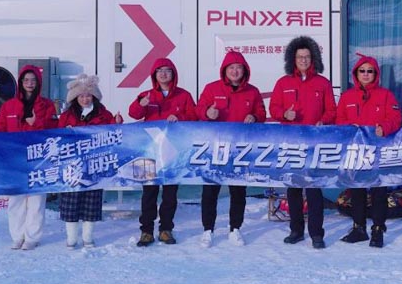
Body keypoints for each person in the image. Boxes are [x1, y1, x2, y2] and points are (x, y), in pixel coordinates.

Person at [270, 35, 337, 249]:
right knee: (294, 190)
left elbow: (332, 111)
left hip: (316, 144)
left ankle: (317, 233)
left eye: (307, 56)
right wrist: (284, 115)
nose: (304, 60)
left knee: (315, 190)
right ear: (293, 59)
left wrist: (323, 120)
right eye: (300, 57)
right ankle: (296, 230)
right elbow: (273, 109)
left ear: (313, 58)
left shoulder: (322, 83)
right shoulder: (283, 83)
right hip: (291, 143)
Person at [195, 51, 266, 248]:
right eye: (231, 68)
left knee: (238, 191)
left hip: (240, 150)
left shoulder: (252, 92)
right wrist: (207, 113)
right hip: (215, 148)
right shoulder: (212, 89)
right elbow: (198, 110)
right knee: (210, 192)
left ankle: (235, 228)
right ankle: (207, 230)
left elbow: (262, 112)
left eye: (239, 67)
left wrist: (255, 117)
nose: (235, 71)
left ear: (244, 70)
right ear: (225, 70)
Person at [128, 57, 197, 247]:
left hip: (173, 153)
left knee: (169, 194)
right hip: (149, 152)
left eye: (167, 70)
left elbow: (194, 115)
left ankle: (166, 229)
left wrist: (180, 116)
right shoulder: (146, 94)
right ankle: (146, 231)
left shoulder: (183, 95)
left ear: (173, 74)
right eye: (160, 71)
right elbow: (134, 114)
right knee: (149, 192)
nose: (164, 74)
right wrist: (141, 104)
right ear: (154, 75)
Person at [336, 54, 401, 248]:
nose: (366, 74)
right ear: (356, 73)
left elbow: (396, 117)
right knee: (357, 190)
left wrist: (384, 127)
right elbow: (339, 120)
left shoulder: (386, 95)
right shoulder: (347, 96)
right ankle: (359, 228)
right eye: (362, 71)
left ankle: (378, 229)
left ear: (375, 74)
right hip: (355, 152)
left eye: (369, 71)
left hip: (379, 151)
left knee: (379, 191)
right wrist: (350, 126)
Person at [0, 64, 57, 250]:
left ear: (38, 83)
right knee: (16, 200)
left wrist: (35, 123)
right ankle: (17, 236)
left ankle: (32, 237)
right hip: (16, 161)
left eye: (33, 80)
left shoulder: (47, 105)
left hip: (39, 160)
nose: (30, 83)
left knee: (37, 199)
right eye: (26, 80)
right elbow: (1, 129)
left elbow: (51, 131)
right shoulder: (9, 106)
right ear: (20, 82)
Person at [57, 73, 123, 249]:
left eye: (88, 95)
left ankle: (88, 237)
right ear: (75, 98)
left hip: (95, 164)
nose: (85, 99)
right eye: (81, 96)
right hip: (73, 166)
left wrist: (117, 123)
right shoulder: (66, 116)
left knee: (91, 200)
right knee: (71, 200)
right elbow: (57, 137)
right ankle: (71, 238)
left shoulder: (104, 114)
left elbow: (114, 135)